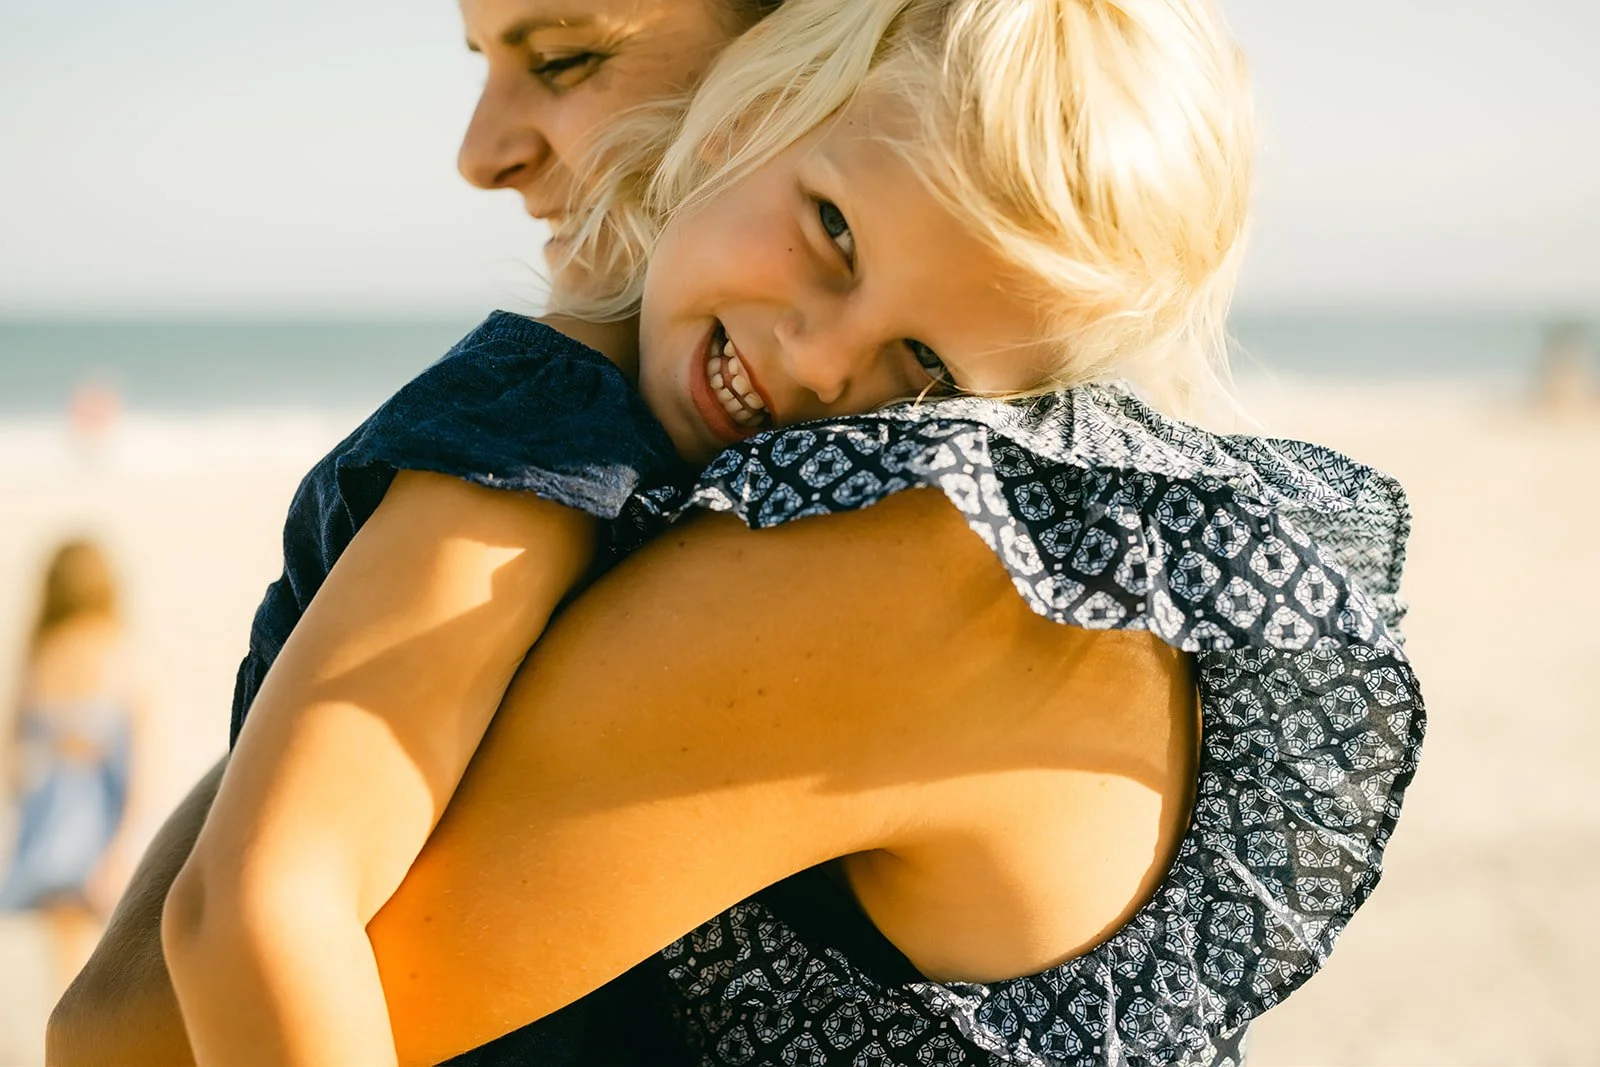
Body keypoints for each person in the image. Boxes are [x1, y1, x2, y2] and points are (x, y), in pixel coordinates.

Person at [51, 2, 1426, 1066]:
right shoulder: (940, 496)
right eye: (826, 230)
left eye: (569, 55)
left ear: (763, 75)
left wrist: (537, 409)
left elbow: (141, 1021)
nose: (830, 363)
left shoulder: (904, 557)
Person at [2, 541, 149, 993]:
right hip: (103, 829)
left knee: (65, 960)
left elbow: (12, 761)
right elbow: (143, 771)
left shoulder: (41, 655)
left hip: (48, 828)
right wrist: (124, 842)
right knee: (108, 959)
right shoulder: (124, 657)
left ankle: (68, 1047)